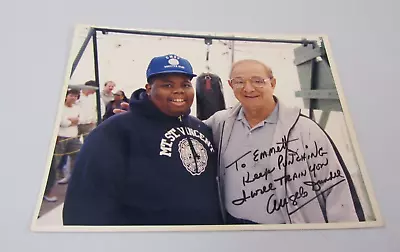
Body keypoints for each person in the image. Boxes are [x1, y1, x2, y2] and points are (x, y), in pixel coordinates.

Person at [62, 54, 224, 226]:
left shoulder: (201, 128)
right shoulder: (116, 130)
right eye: (167, 85)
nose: (179, 90)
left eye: (185, 84)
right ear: (148, 88)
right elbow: (86, 201)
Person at [203, 59, 365, 224]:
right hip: (234, 227)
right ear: (230, 86)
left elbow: (336, 190)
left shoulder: (306, 130)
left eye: (258, 81)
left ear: (272, 83)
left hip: (287, 232)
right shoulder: (220, 123)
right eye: (239, 82)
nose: (248, 88)